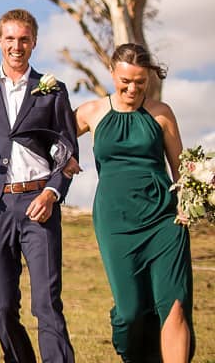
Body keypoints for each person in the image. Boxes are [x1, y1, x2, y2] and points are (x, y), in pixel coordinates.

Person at [0, 9, 77, 363]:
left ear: (34, 43)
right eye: (10, 38)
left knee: (46, 303)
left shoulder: (53, 90)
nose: (16, 46)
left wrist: (52, 192)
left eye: (23, 39)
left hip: (37, 203)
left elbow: (68, 150)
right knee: (4, 305)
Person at [74, 43, 193, 362]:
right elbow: (54, 144)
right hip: (115, 221)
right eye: (125, 81)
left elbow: (180, 169)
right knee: (129, 312)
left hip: (164, 219)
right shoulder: (91, 112)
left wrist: (187, 203)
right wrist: (66, 160)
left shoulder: (161, 114)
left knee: (174, 303)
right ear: (112, 72)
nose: (132, 88)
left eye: (140, 82)